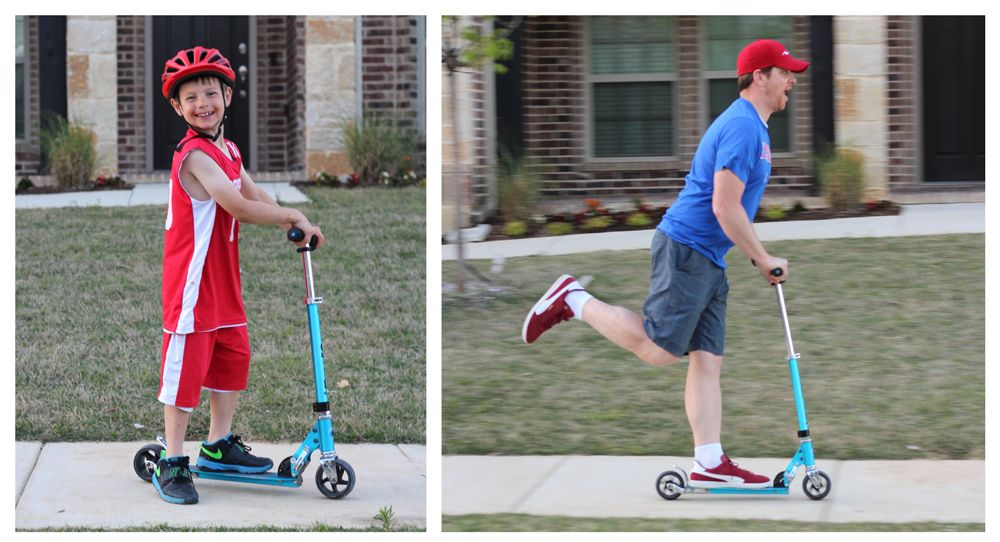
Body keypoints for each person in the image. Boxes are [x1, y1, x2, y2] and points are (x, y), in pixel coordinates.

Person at [522, 39, 808, 489]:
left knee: (708, 361)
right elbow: (724, 206)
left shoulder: (755, 127)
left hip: (709, 258)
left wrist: (753, 255)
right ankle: (573, 299)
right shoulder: (742, 127)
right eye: (785, 71)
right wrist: (762, 258)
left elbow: (730, 211)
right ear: (759, 77)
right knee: (659, 350)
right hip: (688, 248)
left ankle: (709, 461)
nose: (793, 79)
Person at [154, 46, 325, 505]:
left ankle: (217, 446)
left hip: (224, 282)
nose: (202, 103)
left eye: (211, 92)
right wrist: (287, 213)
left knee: (232, 360)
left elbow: (255, 193)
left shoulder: (226, 149)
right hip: (192, 285)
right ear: (177, 107)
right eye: (191, 97)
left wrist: (296, 222)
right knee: (186, 373)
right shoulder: (195, 156)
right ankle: (171, 461)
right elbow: (237, 206)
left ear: (228, 95)